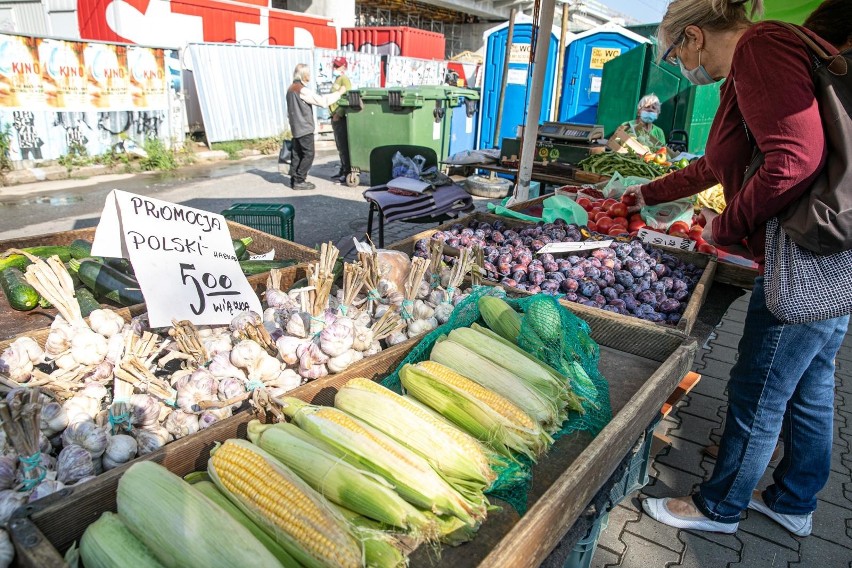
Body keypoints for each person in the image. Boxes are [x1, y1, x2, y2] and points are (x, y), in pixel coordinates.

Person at [624, 0, 848, 537]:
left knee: (760, 388)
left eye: (675, 54)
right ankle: (794, 501)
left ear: (695, 37)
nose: (679, 66)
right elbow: (714, 163)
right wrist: (647, 192)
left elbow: (793, 161)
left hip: (802, 257)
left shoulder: (761, 49)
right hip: (830, 254)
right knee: (811, 385)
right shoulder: (755, 63)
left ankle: (720, 506)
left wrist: (724, 228)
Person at [286, 63, 344, 191]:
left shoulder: (291, 89)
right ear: (304, 75)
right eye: (308, 73)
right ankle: (300, 180)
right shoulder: (302, 90)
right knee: (308, 154)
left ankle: (294, 180)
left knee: (297, 154)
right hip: (304, 127)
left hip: (296, 127)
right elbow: (322, 102)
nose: (310, 76)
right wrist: (339, 93)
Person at [329, 57, 352, 183]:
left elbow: (347, 98)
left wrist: (339, 113)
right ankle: (343, 169)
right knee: (339, 145)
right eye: (335, 66)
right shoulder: (337, 79)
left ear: (344, 67)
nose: (335, 68)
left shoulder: (344, 79)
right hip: (334, 116)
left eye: (338, 66)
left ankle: (347, 171)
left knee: (343, 145)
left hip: (340, 117)